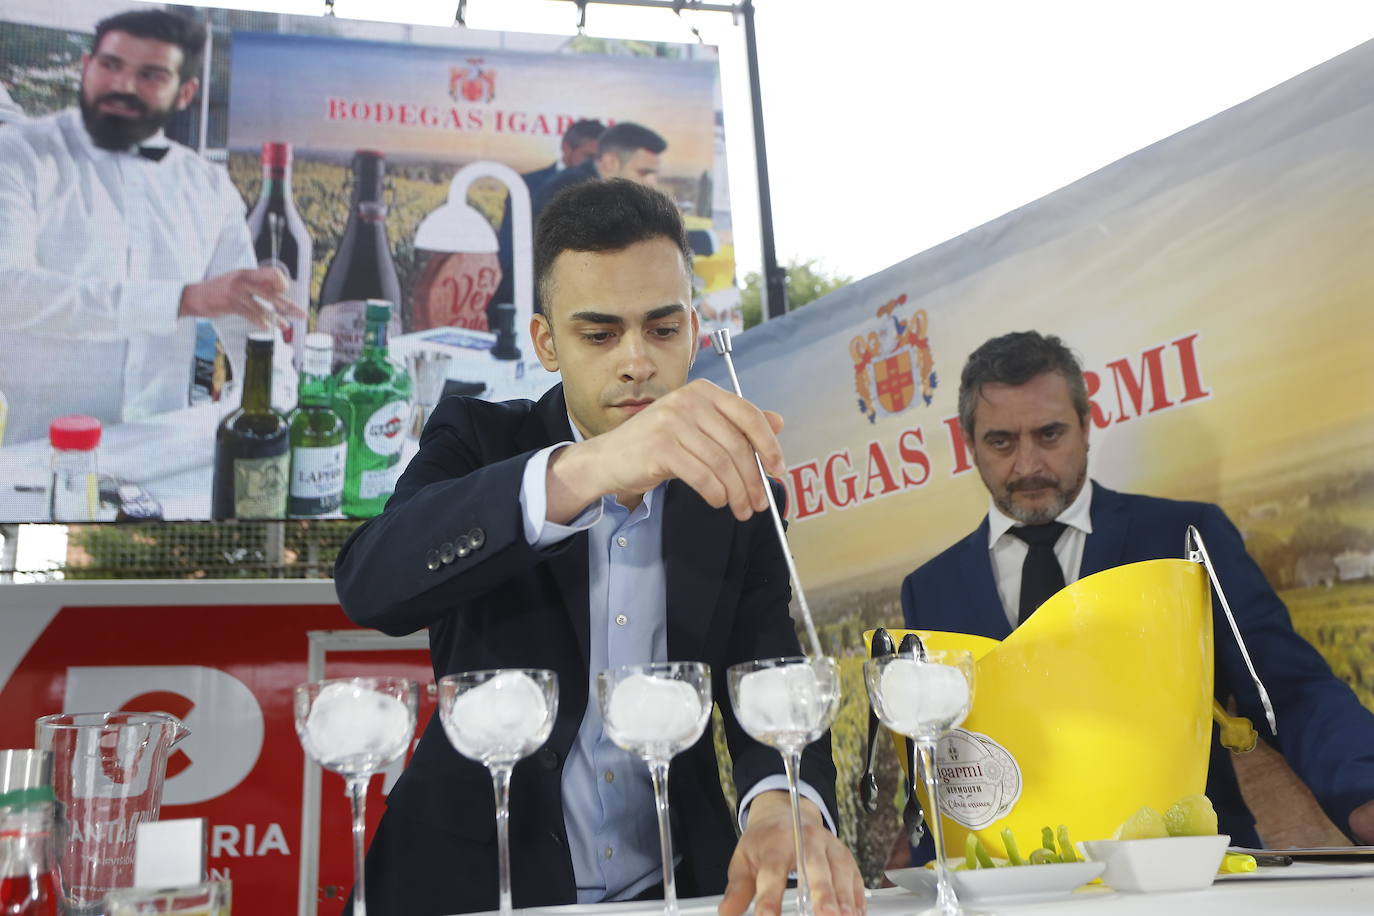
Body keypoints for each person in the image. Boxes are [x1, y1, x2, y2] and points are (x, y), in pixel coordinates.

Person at [333, 179, 865, 916]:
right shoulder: (478, 439)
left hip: (674, 887)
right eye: (600, 334)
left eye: (662, 329)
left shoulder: (735, 489)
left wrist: (782, 801)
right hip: (467, 884)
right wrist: (588, 470)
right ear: (547, 341)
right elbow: (371, 584)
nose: (637, 362)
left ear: (693, 328)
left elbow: (765, 673)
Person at [899, 330, 1374, 854]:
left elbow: (1287, 685)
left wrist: (1364, 788)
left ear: (1086, 427)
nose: (1028, 464)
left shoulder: (1186, 536)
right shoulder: (929, 589)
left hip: (1184, 874)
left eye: (1049, 434)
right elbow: (934, 763)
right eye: (1001, 442)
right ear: (971, 445)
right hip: (1006, 888)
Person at [0, 9, 303, 445]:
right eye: (111, 66)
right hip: (27, 455)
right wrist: (183, 300)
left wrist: (272, 405)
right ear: (87, 69)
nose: (123, 86)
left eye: (151, 75)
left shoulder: (208, 187)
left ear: (185, 93)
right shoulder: (18, 156)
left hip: (158, 452)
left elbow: (249, 320)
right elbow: (9, 292)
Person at [531, 121, 667, 216]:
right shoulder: (570, 193)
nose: (651, 183)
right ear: (610, 163)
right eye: (643, 173)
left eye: (654, 175)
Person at [522, 118, 605, 194]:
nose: (596, 163)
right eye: (589, 156)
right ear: (566, 148)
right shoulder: (527, 185)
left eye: (601, 158)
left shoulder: (608, 188)